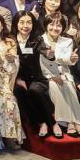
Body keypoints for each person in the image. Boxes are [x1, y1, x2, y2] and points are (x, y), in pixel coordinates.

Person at [12, 11, 58, 139]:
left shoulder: (37, 40)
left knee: (34, 91)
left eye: (29, 22)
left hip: (36, 78)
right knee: (19, 91)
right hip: (18, 78)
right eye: (22, 22)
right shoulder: (10, 40)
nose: (25, 26)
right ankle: (41, 122)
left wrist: (49, 54)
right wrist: (17, 79)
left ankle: (52, 123)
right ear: (16, 24)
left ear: (33, 24)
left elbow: (44, 51)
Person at [39, 17, 80, 137]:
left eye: (59, 25)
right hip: (47, 74)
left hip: (64, 72)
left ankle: (77, 123)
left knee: (69, 86)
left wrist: (71, 59)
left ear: (63, 28)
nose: (55, 28)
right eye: (51, 24)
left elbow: (64, 60)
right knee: (55, 86)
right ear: (46, 25)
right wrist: (51, 76)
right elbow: (39, 63)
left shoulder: (67, 41)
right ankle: (69, 122)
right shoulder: (40, 40)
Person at [0, 38, 24, 150]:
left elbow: (13, 68)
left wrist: (12, 61)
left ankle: (9, 136)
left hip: (4, 81)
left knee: (9, 101)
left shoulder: (9, 43)